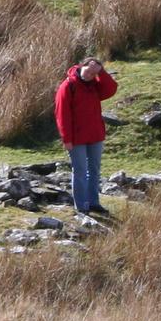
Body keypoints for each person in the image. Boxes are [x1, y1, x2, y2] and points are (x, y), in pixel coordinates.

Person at [54, 58, 118, 216]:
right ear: (81, 66)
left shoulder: (95, 85)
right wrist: (66, 139)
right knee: (80, 170)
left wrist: (101, 72)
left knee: (94, 170)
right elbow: (62, 114)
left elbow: (111, 89)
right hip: (76, 138)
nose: (90, 75)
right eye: (88, 71)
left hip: (95, 134)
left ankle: (93, 203)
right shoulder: (68, 86)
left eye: (94, 73)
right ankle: (82, 206)